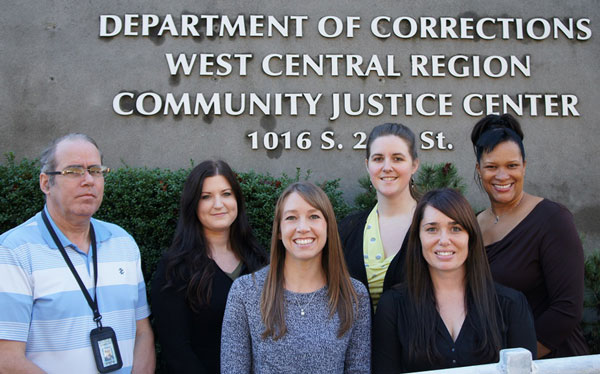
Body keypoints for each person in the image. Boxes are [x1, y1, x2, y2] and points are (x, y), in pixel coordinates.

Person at [0, 133, 155, 373]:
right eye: (73, 171)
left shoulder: (123, 243)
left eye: (95, 170)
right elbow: (6, 358)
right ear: (45, 183)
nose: (88, 180)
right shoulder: (14, 252)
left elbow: (142, 331)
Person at [373, 188, 537, 373]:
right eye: (432, 229)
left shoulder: (511, 305)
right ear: (418, 238)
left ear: (471, 237)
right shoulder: (393, 307)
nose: (444, 240)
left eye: (456, 229)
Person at [470, 113, 589, 358]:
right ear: (479, 169)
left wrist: (517, 361)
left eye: (511, 165)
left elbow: (567, 310)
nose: (502, 176)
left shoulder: (552, 219)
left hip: (550, 361)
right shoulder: (472, 225)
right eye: (492, 166)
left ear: (524, 165)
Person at [221, 182, 371, 374]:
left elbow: (358, 370)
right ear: (279, 232)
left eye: (314, 216)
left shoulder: (353, 295)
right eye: (291, 218)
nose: (302, 227)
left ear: (328, 227)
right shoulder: (245, 292)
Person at [151, 160, 268, 373]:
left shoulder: (258, 260)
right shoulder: (175, 268)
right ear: (193, 204)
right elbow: (177, 350)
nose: (218, 204)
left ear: (237, 200)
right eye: (206, 197)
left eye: (226, 194)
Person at [339, 123, 420, 310]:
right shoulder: (347, 229)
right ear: (368, 165)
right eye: (378, 159)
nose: (387, 167)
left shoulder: (433, 225)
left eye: (397, 159)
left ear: (414, 164)